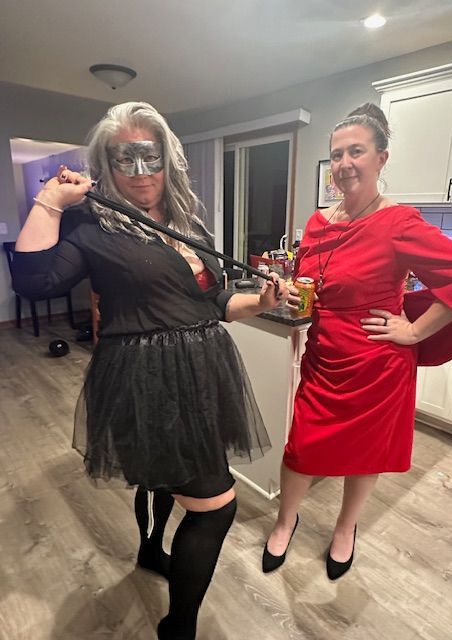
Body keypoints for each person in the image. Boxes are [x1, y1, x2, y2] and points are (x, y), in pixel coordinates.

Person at [12, 101, 287, 639]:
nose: (140, 172)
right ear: (106, 165)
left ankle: (148, 549)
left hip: (202, 372)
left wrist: (259, 303)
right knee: (215, 508)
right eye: (125, 159)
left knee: (165, 475)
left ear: (169, 159)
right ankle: (178, 628)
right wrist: (49, 201)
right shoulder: (92, 225)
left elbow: (211, 302)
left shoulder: (189, 224)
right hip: (146, 380)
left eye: (150, 157)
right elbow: (35, 282)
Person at [262, 102, 452, 581]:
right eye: (337, 154)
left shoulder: (399, 222)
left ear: (381, 158)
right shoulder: (318, 222)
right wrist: (294, 298)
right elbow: (313, 284)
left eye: (356, 151)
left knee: (365, 455)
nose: (344, 164)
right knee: (301, 449)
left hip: (378, 366)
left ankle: (346, 529)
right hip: (324, 358)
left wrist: (415, 330)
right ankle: (285, 520)